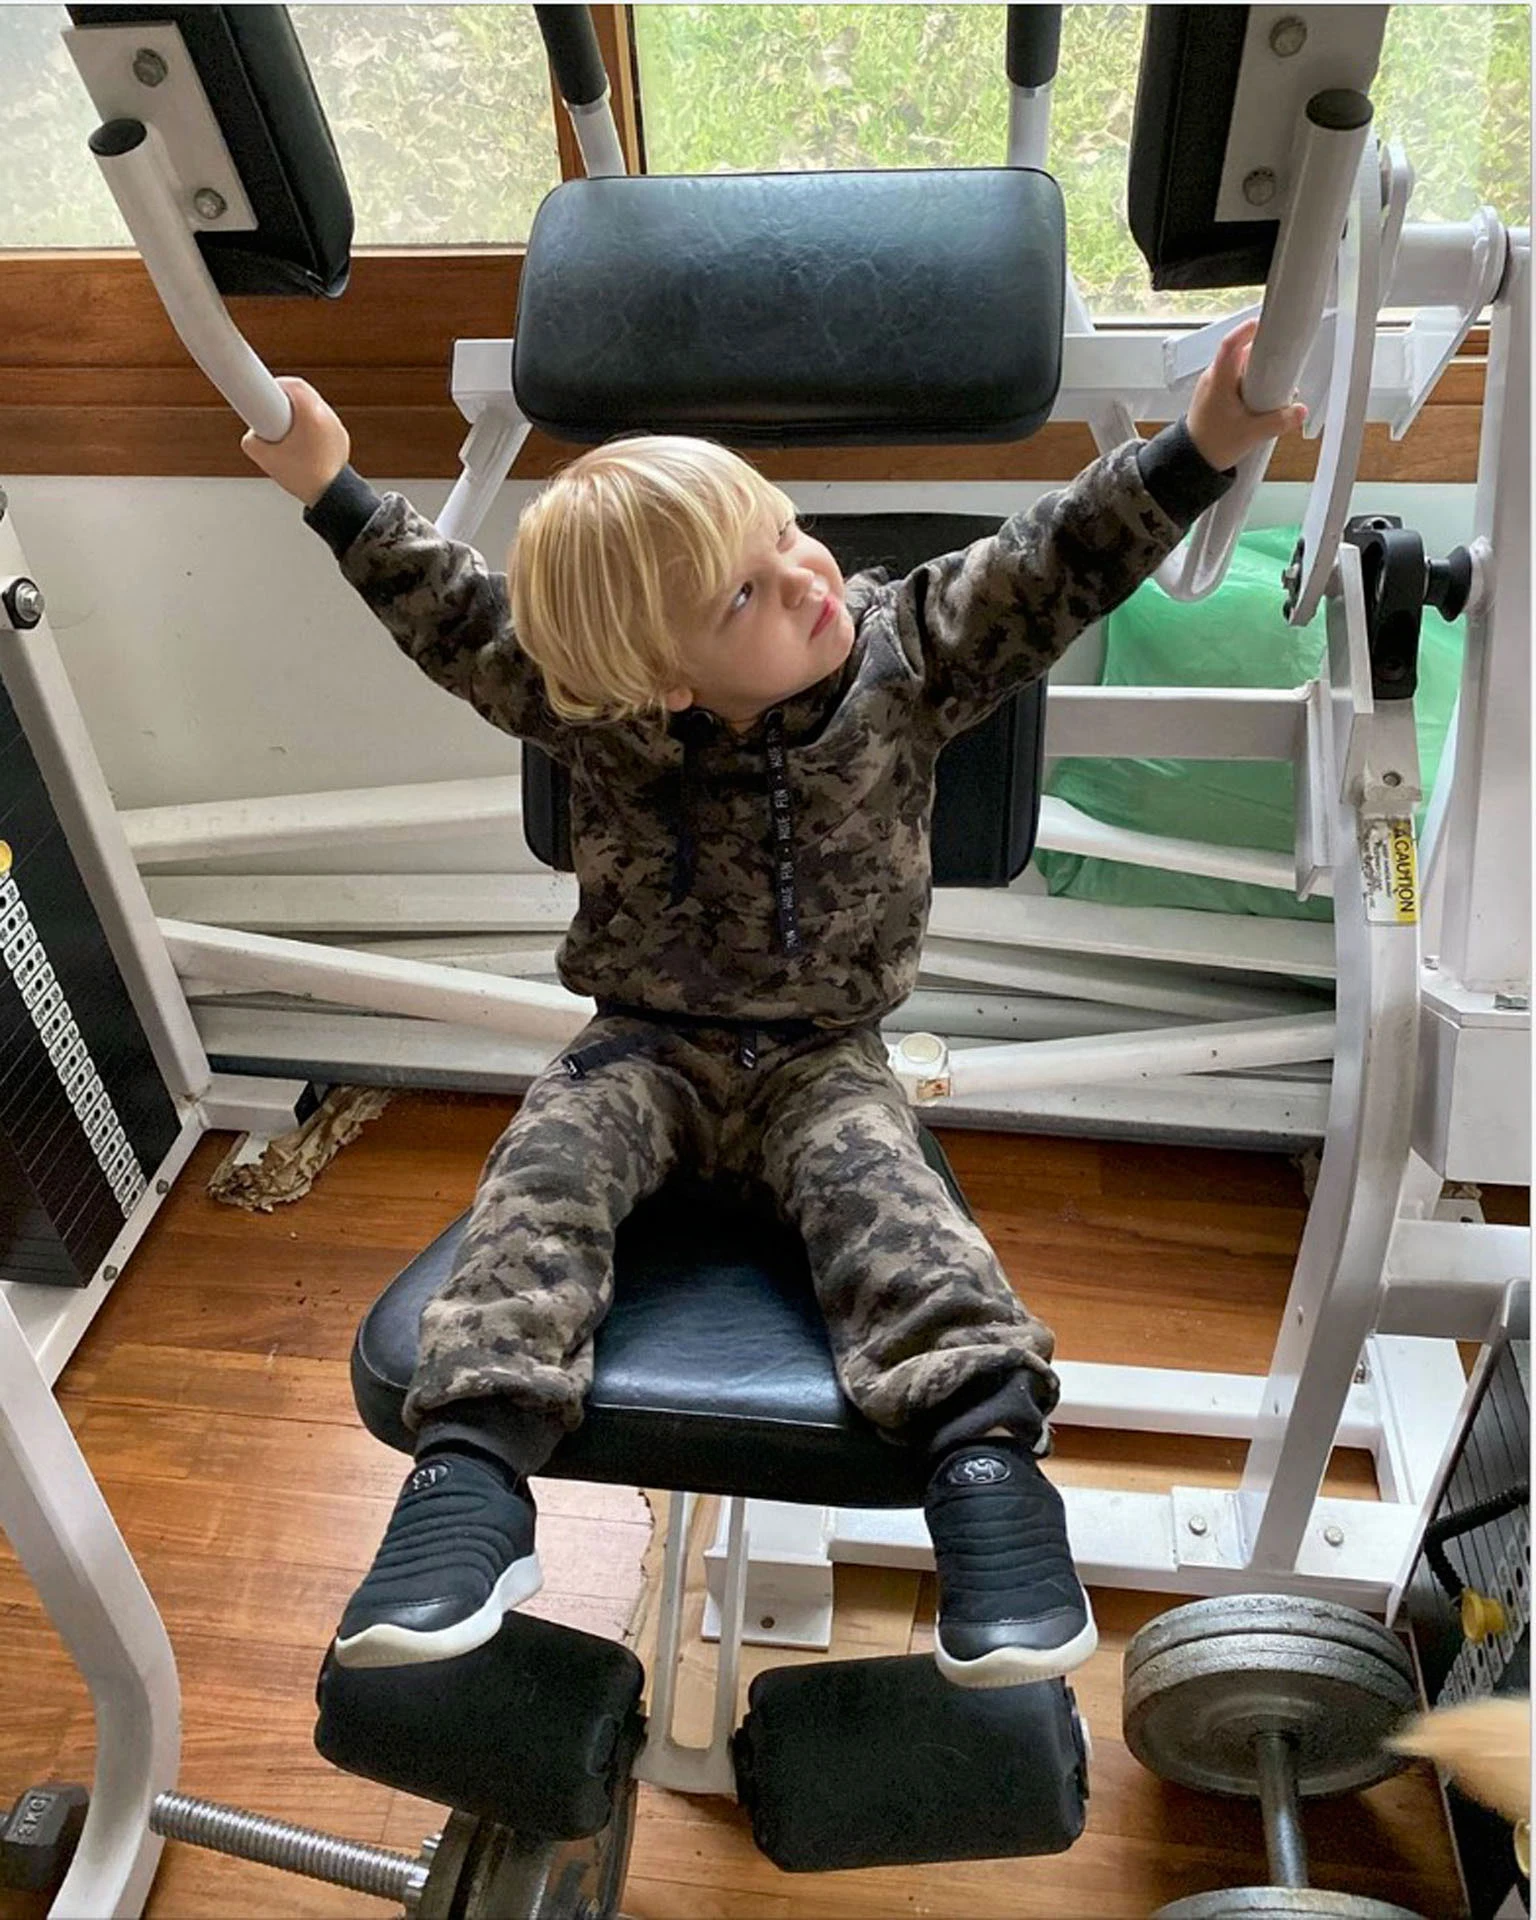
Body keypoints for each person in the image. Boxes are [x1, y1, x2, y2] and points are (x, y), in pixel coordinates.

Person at [244, 317, 1302, 1688]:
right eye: (745, 591)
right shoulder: (598, 712)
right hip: (642, 1049)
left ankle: (986, 1475)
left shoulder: (911, 651)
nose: (806, 576)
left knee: (895, 1212)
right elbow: (451, 609)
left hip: (823, 1057)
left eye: (786, 532)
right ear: (660, 676)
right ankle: (471, 1482)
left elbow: (1062, 556)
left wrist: (1206, 441)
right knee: (540, 1177)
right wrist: (328, 486)